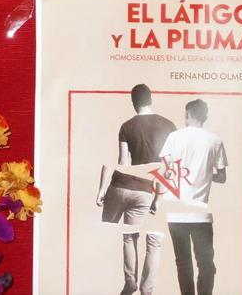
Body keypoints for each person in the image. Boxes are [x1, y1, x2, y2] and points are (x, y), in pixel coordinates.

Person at [96, 84, 177, 295]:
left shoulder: (127, 126)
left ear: (133, 102)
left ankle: (130, 282)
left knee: (129, 237)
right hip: (149, 189)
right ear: (151, 99)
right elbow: (169, 167)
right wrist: (160, 198)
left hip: (124, 185)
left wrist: (103, 189)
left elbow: (123, 161)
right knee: (154, 242)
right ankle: (146, 290)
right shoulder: (169, 126)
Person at [158, 98, 227, 295]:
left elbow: (165, 173)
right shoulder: (215, 140)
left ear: (187, 115)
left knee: (183, 263)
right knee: (205, 262)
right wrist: (204, 174)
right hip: (200, 212)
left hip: (176, 211)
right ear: (206, 116)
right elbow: (222, 177)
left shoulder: (174, 137)